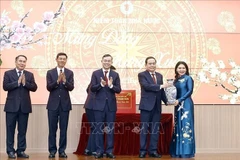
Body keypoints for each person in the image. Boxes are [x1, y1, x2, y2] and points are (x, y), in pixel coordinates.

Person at [3, 55, 38, 159]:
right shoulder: (8, 73)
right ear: (15, 62)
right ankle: (10, 151)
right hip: (11, 107)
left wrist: (25, 83)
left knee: (22, 130)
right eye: (20, 61)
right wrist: (17, 82)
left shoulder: (29, 75)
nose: (22, 63)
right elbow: (5, 87)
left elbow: (34, 88)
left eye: (24, 61)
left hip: (24, 107)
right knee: (10, 130)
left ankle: (21, 150)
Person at [90, 54, 121, 159]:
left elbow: (118, 90)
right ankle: (99, 151)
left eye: (109, 61)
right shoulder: (95, 73)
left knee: (110, 129)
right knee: (98, 129)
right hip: (98, 106)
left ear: (111, 62)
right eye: (105, 60)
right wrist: (101, 85)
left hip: (111, 106)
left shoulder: (115, 74)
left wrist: (111, 86)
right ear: (101, 61)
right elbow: (92, 88)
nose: (107, 62)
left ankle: (109, 151)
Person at [138, 56, 169, 158]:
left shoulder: (159, 76)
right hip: (146, 106)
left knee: (155, 130)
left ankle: (153, 151)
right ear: (146, 65)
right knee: (144, 129)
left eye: (153, 63)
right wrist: (161, 86)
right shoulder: (142, 75)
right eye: (150, 63)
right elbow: (146, 86)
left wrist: (167, 101)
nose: (152, 65)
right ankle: (142, 151)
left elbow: (161, 91)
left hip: (157, 106)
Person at [46, 52, 74, 158]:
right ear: (56, 59)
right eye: (60, 58)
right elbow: (49, 87)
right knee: (52, 129)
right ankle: (52, 150)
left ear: (66, 60)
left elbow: (71, 87)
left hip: (65, 105)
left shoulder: (70, 73)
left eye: (64, 59)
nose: (62, 60)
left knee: (64, 129)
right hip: (52, 105)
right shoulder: (50, 72)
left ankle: (62, 150)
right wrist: (57, 81)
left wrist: (65, 81)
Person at [83, 65, 116, 156]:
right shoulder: (97, 79)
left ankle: (90, 149)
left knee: (95, 128)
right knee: (96, 128)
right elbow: (91, 91)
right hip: (93, 106)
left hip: (99, 106)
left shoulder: (109, 81)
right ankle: (93, 150)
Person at [170, 61, 195, 158]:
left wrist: (180, 100)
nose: (181, 70)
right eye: (179, 68)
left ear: (186, 69)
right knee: (178, 126)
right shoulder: (175, 80)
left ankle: (187, 151)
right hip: (177, 104)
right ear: (176, 69)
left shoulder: (188, 78)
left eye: (183, 68)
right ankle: (177, 150)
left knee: (186, 125)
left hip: (186, 104)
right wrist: (171, 100)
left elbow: (189, 91)